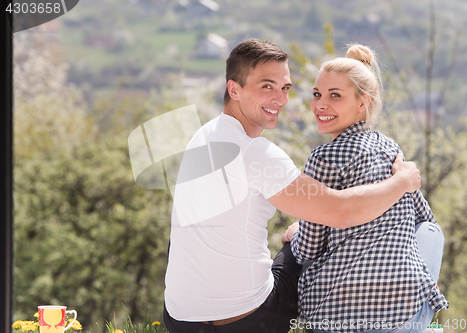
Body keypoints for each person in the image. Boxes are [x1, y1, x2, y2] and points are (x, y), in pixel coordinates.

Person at [163, 39, 422, 333]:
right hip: (245, 322)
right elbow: (342, 212)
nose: (280, 99)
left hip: (179, 319)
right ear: (234, 89)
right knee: (305, 243)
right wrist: (402, 181)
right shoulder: (256, 154)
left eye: (284, 88)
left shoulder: (204, 135)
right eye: (266, 86)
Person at [289, 44, 449, 333]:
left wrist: (296, 234)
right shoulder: (391, 151)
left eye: (334, 96)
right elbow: (425, 220)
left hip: (333, 317)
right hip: (402, 316)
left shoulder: (322, 159)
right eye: (317, 94)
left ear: (363, 103)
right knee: (431, 232)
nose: (320, 105)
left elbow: (310, 249)